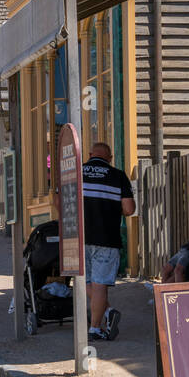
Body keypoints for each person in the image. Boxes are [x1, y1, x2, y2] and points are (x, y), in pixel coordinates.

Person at [82, 141, 136, 342]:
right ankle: (95, 328)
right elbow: (130, 210)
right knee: (99, 285)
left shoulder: (77, 173)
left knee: (83, 282)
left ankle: (107, 314)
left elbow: (59, 201)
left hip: (79, 238)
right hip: (107, 238)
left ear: (89, 154)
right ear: (110, 158)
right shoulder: (118, 176)